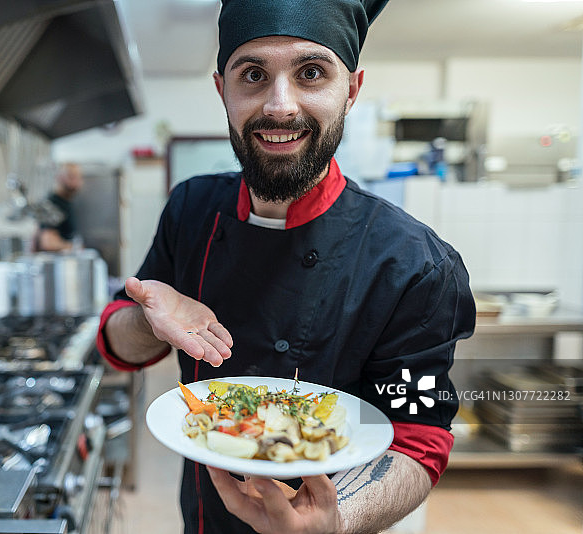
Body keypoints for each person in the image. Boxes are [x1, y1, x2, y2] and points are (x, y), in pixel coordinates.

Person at [96, 1, 476, 532]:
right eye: (252, 74)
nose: (280, 106)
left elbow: (419, 436)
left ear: (352, 88)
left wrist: (336, 521)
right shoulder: (190, 209)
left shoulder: (415, 265)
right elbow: (118, 342)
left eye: (311, 72)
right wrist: (146, 321)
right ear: (222, 90)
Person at [34, 162, 83, 252]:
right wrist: (74, 247)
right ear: (59, 177)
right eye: (71, 176)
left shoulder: (68, 202)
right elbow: (48, 243)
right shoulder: (52, 204)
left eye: (78, 177)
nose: (76, 182)